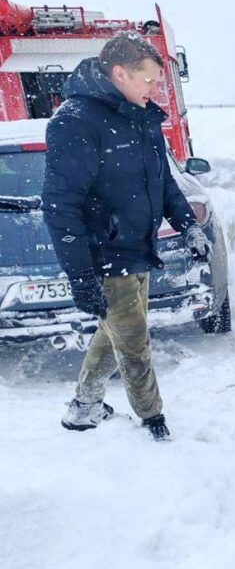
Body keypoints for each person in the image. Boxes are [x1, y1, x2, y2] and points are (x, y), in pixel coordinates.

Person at [42, 32, 210, 441]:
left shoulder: (142, 116)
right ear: (119, 73)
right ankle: (155, 426)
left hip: (139, 250)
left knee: (114, 330)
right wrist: (81, 274)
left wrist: (188, 224)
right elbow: (60, 204)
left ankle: (84, 407)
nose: (155, 89)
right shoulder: (76, 121)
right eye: (148, 80)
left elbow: (164, 182)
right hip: (106, 255)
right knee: (134, 345)